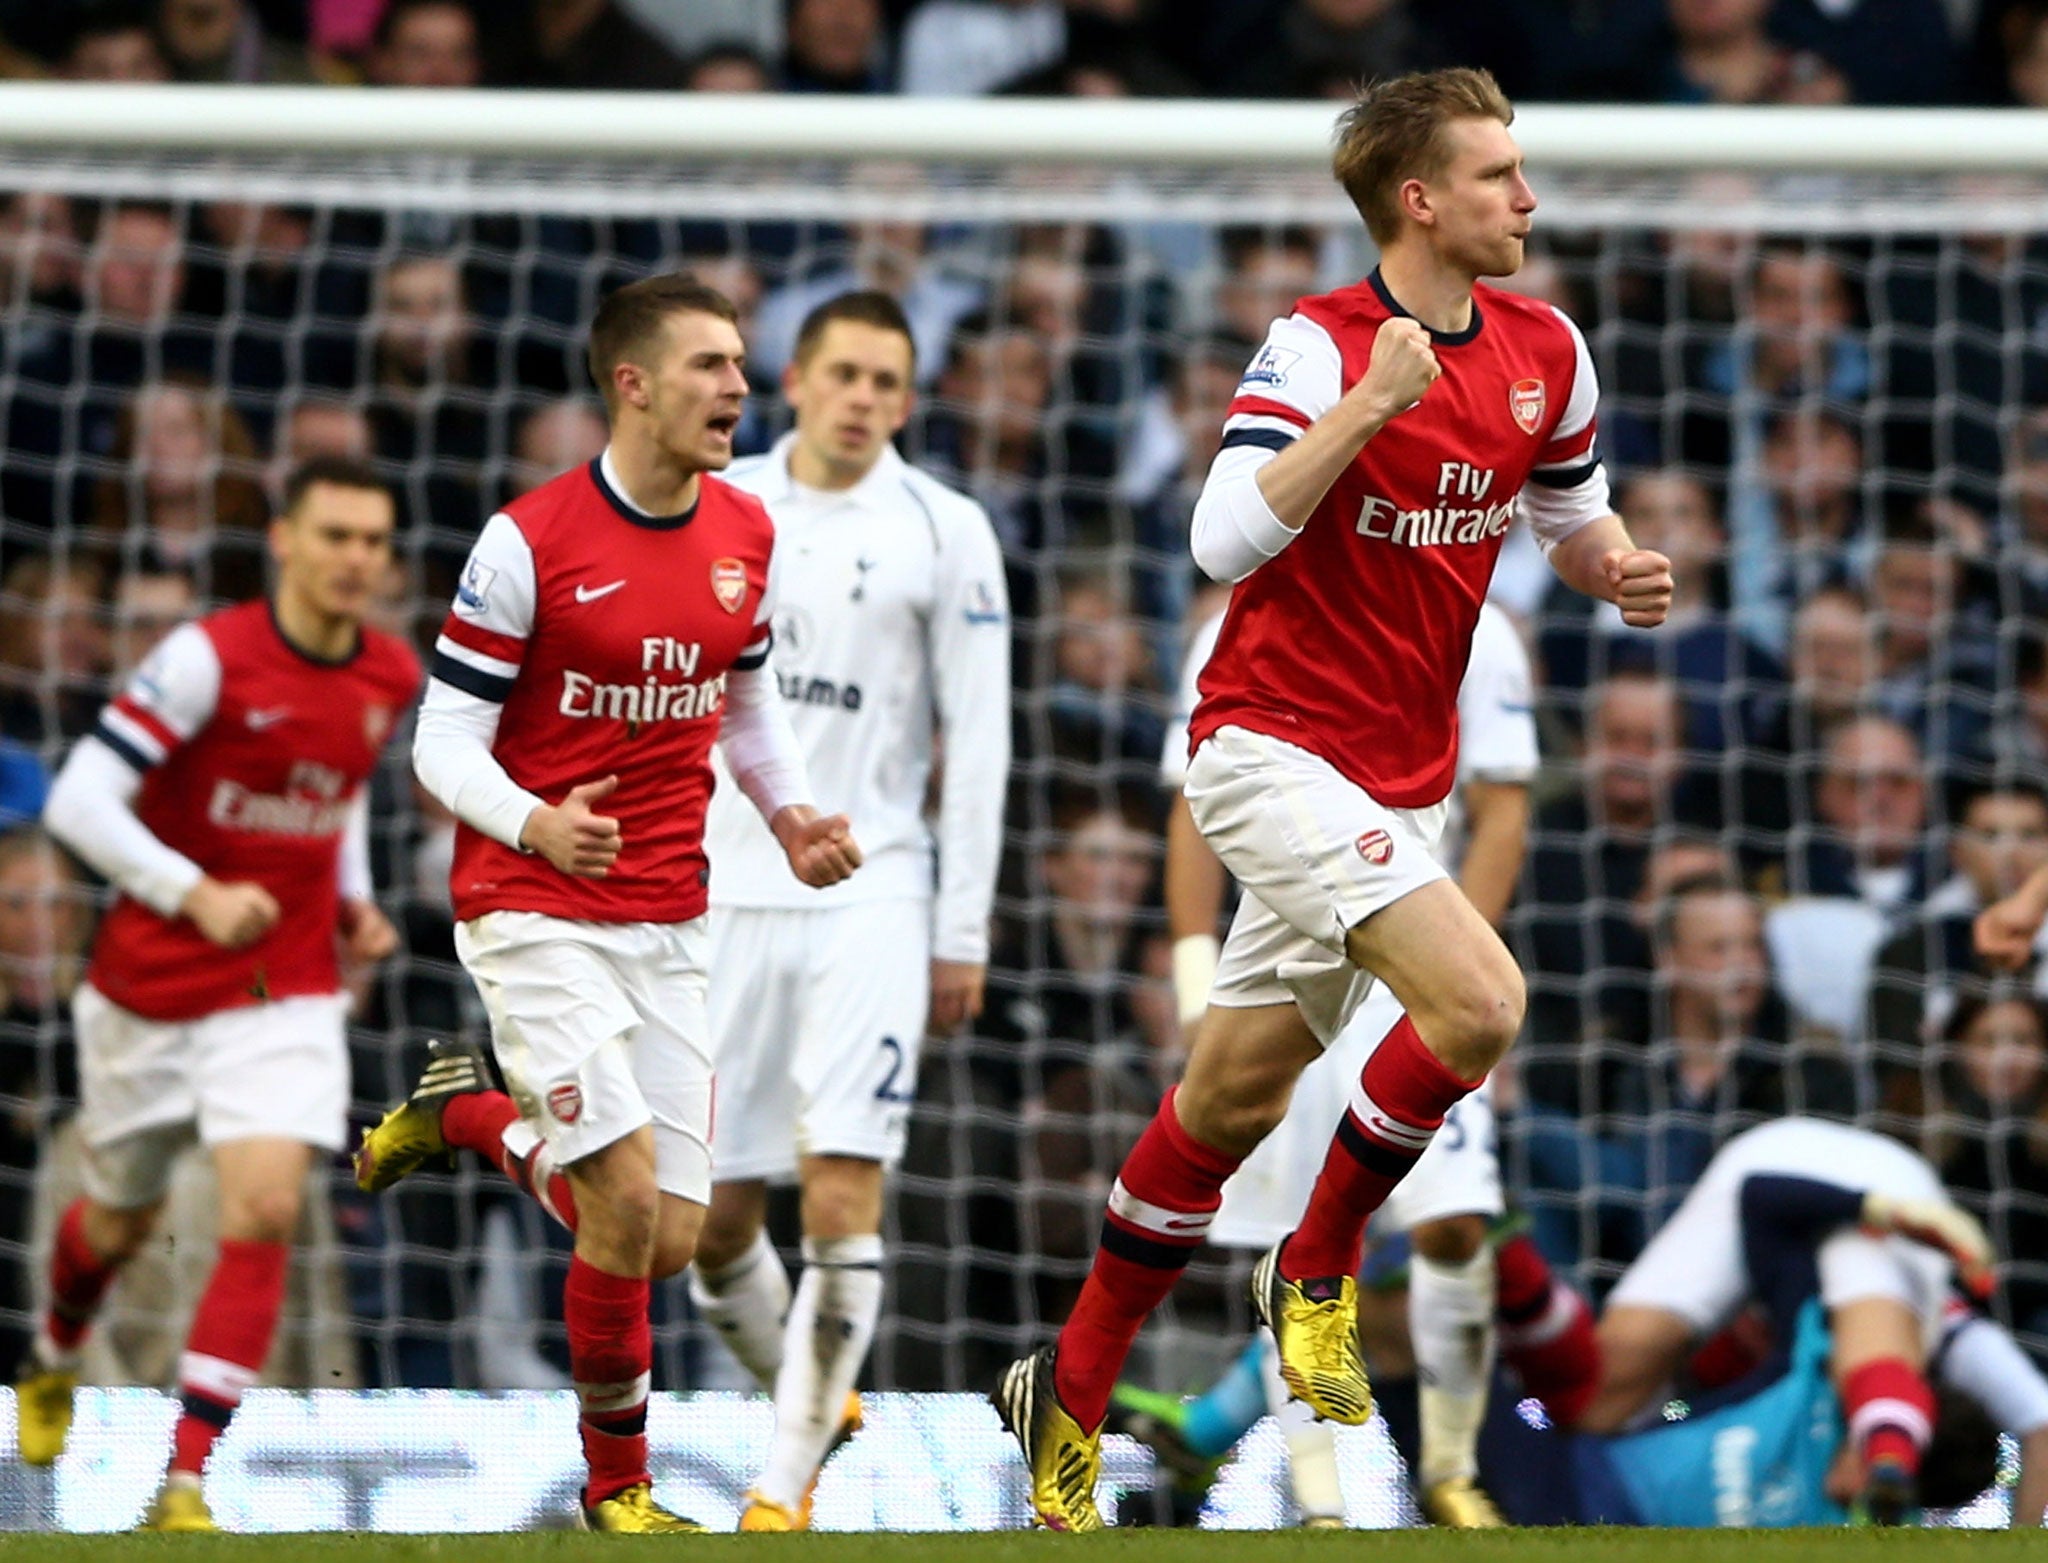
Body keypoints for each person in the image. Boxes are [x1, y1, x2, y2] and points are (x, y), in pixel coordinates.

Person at [991, 66, 1674, 1532]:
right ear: (1418, 200)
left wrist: (1609, 564)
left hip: (1397, 783)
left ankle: (1073, 1388)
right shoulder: (1318, 345)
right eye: (1496, 174)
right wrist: (1368, 405)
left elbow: (1565, 509)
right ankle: (1314, 1270)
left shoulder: (1548, 347)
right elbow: (1218, 539)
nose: (1527, 197)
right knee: (1480, 1004)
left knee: (1226, 1102)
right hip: (1266, 751)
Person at [353, 273, 862, 1533]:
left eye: (738, 364)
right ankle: (619, 1492)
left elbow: (744, 703)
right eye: (709, 366)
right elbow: (440, 742)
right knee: (624, 1201)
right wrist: (535, 822)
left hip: (668, 915)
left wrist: (791, 815)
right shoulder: (526, 543)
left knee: (666, 1239)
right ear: (631, 385)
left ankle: (467, 1115)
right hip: (529, 903)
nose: (737, 387)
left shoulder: (746, 534)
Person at [13, 457, 419, 1531]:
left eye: (373, 542)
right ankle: (53, 1351)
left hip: (284, 984)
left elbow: (335, 798)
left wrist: (354, 902)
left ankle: (185, 1482)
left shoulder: (386, 673)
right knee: (118, 1221)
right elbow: (79, 799)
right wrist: (193, 892)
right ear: (284, 540)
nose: (355, 560)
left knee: (268, 1206)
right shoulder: (205, 659)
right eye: (335, 535)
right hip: (148, 989)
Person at [684, 290, 1010, 1531]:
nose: (863, 399)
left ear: (908, 400)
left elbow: (978, 741)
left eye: (885, 382)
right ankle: (812, 1399)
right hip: (722, 889)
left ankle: (781, 1488)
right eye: (844, 375)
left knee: (837, 1190)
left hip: (875, 890)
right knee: (709, 1222)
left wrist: (960, 929)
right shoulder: (720, 503)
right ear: (794, 381)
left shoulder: (945, 528)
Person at [1121, 596, 1544, 1528]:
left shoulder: (1477, 623)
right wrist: (1194, 981)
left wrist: (1456, 967)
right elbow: (1192, 804)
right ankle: (1321, 1504)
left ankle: (1450, 1472)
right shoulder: (1250, 609)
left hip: (1414, 973)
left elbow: (1503, 809)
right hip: (1292, 960)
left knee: (1455, 1222)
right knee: (1295, 1234)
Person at [1576, 1116, 2048, 1525]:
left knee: (1600, 1400)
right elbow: (2042, 1421)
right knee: (1880, 1343)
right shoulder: (1957, 1341)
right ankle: (1887, 1452)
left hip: (1783, 1218)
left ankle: (1885, 1449)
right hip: (1871, 1183)